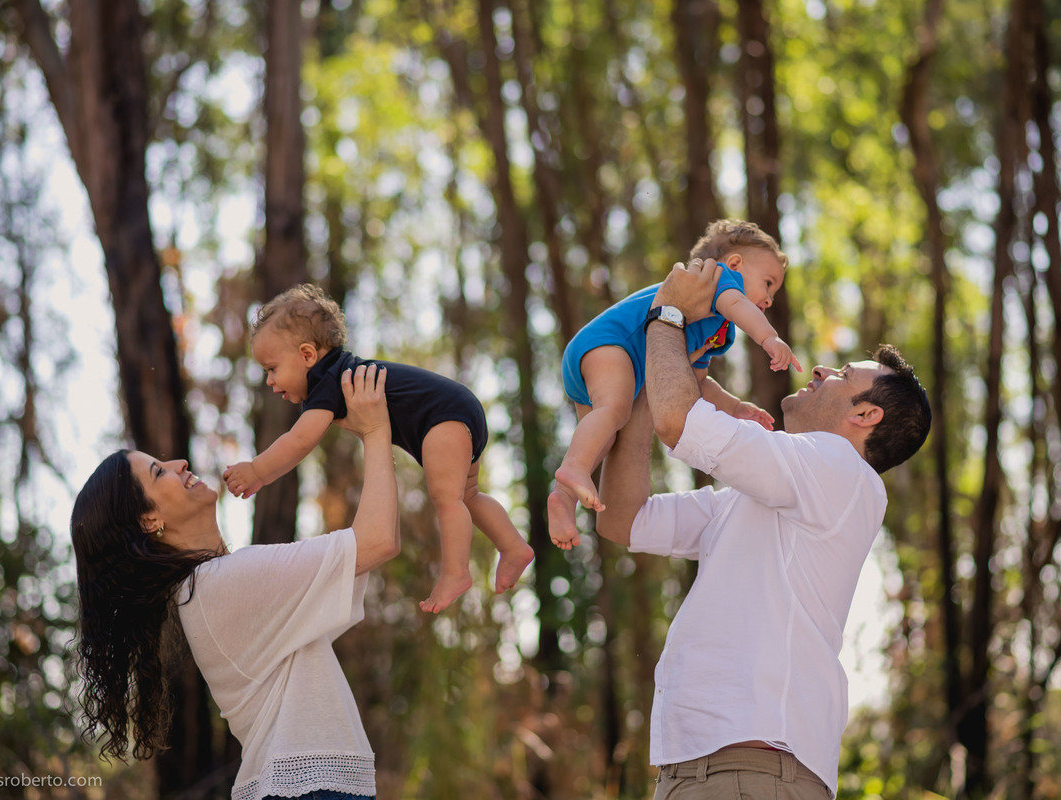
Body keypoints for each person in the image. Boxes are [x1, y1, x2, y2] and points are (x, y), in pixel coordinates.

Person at [595, 259, 931, 799]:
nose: (822, 371)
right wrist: (640, 386)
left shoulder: (842, 472)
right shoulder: (757, 499)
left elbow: (678, 422)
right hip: (704, 771)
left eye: (843, 376)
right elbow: (622, 518)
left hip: (752, 771)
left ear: (866, 416)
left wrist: (666, 315)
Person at [71, 364, 399, 800]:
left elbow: (365, 554)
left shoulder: (207, 590)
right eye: (158, 472)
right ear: (150, 519)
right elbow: (378, 541)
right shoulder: (221, 585)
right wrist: (376, 430)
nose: (178, 463)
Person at [222, 283, 533, 613]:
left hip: (442, 415)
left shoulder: (325, 382)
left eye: (272, 369)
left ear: (307, 355)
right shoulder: (334, 374)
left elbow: (299, 441)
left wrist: (257, 470)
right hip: (455, 409)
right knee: (467, 495)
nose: (269, 381)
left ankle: (455, 572)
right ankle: (513, 546)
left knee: (448, 498)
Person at [549, 219, 803, 550]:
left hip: (613, 362)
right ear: (735, 265)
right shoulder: (717, 280)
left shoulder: (719, 330)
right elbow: (740, 306)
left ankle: (563, 499)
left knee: (604, 436)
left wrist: (735, 406)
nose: (769, 299)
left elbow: (697, 380)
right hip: (611, 343)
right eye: (768, 284)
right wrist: (769, 337)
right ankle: (572, 469)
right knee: (615, 410)